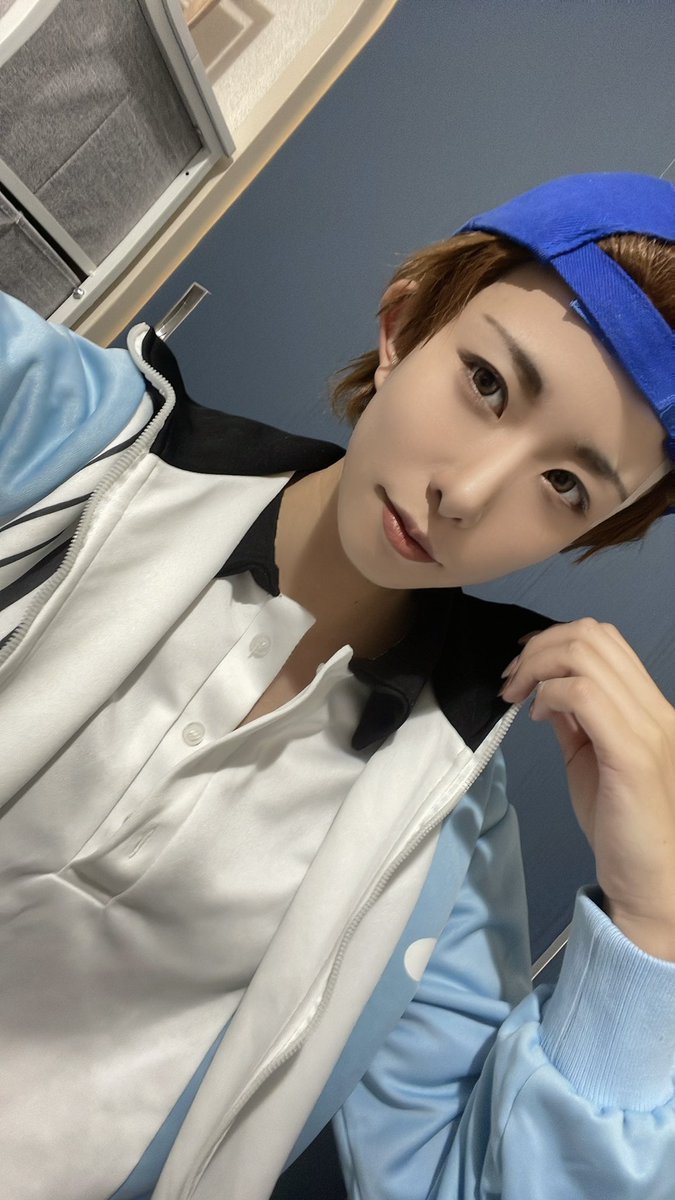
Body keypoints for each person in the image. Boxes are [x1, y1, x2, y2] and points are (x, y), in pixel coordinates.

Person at [0, 173, 673, 1200]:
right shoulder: (55, 433)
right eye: (488, 383)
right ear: (404, 327)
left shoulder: (442, 837)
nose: (466, 493)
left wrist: (654, 921)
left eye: (565, 485)